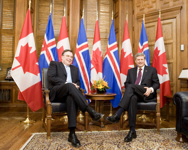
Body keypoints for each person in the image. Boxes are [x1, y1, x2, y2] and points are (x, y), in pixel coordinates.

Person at [47, 49, 104, 148]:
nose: (69, 58)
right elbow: (51, 77)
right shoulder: (55, 64)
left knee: (71, 98)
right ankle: (89, 110)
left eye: (71, 57)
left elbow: (78, 82)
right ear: (62, 57)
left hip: (70, 93)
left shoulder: (74, 69)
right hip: (57, 93)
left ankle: (72, 134)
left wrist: (76, 86)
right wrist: (68, 84)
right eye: (67, 56)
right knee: (69, 86)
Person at [106, 53, 160, 142]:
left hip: (146, 93)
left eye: (141, 59)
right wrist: (131, 90)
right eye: (138, 60)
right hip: (134, 94)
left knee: (131, 86)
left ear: (144, 60)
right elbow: (126, 83)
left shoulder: (152, 70)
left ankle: (118, 113)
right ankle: (132, 131)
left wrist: (150, 89)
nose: (140, 61)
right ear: (135, 61)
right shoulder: (131, 71)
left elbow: (156, 84)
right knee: (132, 98)